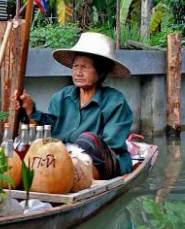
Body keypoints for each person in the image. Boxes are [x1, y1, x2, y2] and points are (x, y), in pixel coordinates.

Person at [17, 32, 134, 180]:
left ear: (100, 72)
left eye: (84, 67)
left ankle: (71, 174)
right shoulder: (61, 98)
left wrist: (75, 153)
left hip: (103, 163)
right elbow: (50, 128)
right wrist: (30, 109)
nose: (78, 72)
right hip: (63, 161)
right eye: (75, 66)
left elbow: (112, 145)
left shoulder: (115, 101)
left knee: (88, 141)